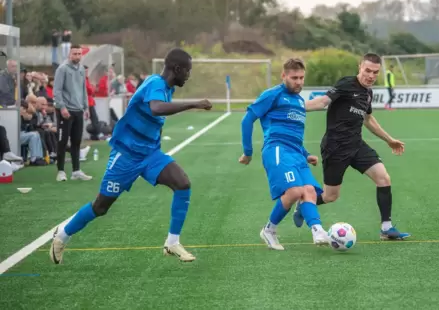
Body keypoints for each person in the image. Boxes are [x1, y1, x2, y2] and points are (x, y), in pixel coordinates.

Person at [49, 48, 212, 264]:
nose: (188, 76)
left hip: (149, 154)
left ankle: (172, 242)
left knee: (182, 184)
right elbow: (156, 109)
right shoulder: (155, 84)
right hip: (126, 155)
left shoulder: (166, 89)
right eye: (188, 71)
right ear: (177, 69)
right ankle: (62, 236)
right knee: (101, 207)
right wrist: (194, 104)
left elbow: (153, 119)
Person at [293, 53, 410, 241]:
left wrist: (389, 139)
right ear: (360, 68)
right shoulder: (346, 84)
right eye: (367, 71)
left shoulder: (368, 93)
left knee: (383, 178)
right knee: (331, 196)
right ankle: (304, 203)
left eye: (375, 72)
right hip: (335, 147)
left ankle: (386, 229)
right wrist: (293, 106)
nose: (371, 76)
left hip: (356, 145)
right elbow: (323, 102)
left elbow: (368, 119)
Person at [239, 58, 329, 251]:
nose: (299, 82)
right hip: (277, 149)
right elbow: (247, 120)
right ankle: (269, 230)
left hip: (296, 153)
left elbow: (293, 133)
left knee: (311, 191)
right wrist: (247, 152)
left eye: (302, 78)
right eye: (294, 77)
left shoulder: (298, 100)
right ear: (284, 76)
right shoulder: (273, 95)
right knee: (295, 191)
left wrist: (305, 154)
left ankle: (318, 230)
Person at [53, 44, 92, 181]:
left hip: (78, 110)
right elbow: (57, 91)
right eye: (74, 54)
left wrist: (86, 107)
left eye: (79, 54)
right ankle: (61, 171)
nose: (77, 56)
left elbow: (83, 90)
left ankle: (76, 171)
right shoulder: (62, 69)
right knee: (62, 141)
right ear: (69, 55)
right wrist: (62, 107)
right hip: (66, 110)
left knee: (76, 141)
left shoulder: (81, 69)